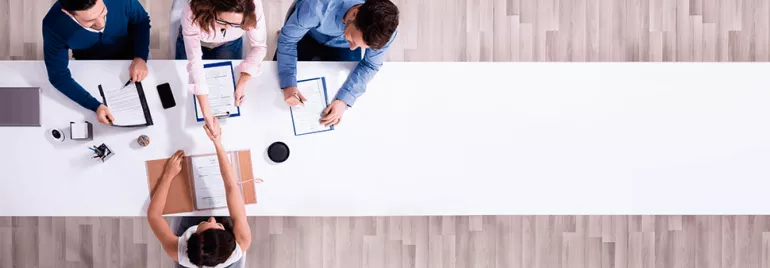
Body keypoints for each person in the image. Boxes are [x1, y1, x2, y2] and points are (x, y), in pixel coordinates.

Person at [276, 0, 399, 127]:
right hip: (309, 33)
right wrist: (288, 84)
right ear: (354, 14)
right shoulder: (315, 7)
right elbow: (288, 41)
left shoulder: (384, 31)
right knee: (275, 81)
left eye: (360, 46)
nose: (353, 48)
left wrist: (344, 101)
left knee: (337, 84)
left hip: (340, 46)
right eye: (353, 38)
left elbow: (370, 65)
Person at [148, 118, 251, 267]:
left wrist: (168, 175)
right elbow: (231, 187)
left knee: (184, 215)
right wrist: (217, 143)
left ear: (192, 237)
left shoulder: (176, 250)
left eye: (205, 224)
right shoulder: (242, 241)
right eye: (219, 226)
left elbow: (153, 215)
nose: (212, 218)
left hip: (196, 245)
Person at [43, 0, 150, 125]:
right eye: (90, 21)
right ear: (68, 13)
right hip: (89, 64)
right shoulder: (53, 25)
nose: (101, 23)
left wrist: (141, 57)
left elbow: (141, 21)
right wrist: (95, 106)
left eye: (103, 12)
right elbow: (58, 76)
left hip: (134, 56)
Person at [177, 0, 268, 131]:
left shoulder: (253, 6)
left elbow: (259, 47)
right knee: (184, 88)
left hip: (229, 44)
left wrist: (242, 82)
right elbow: (195, 63)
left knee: (227, 81)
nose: (228, 28)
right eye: (222, 21)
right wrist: (207, 114)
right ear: (211, 9)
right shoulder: (191, 12)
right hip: (197, 38)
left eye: (236, 24)